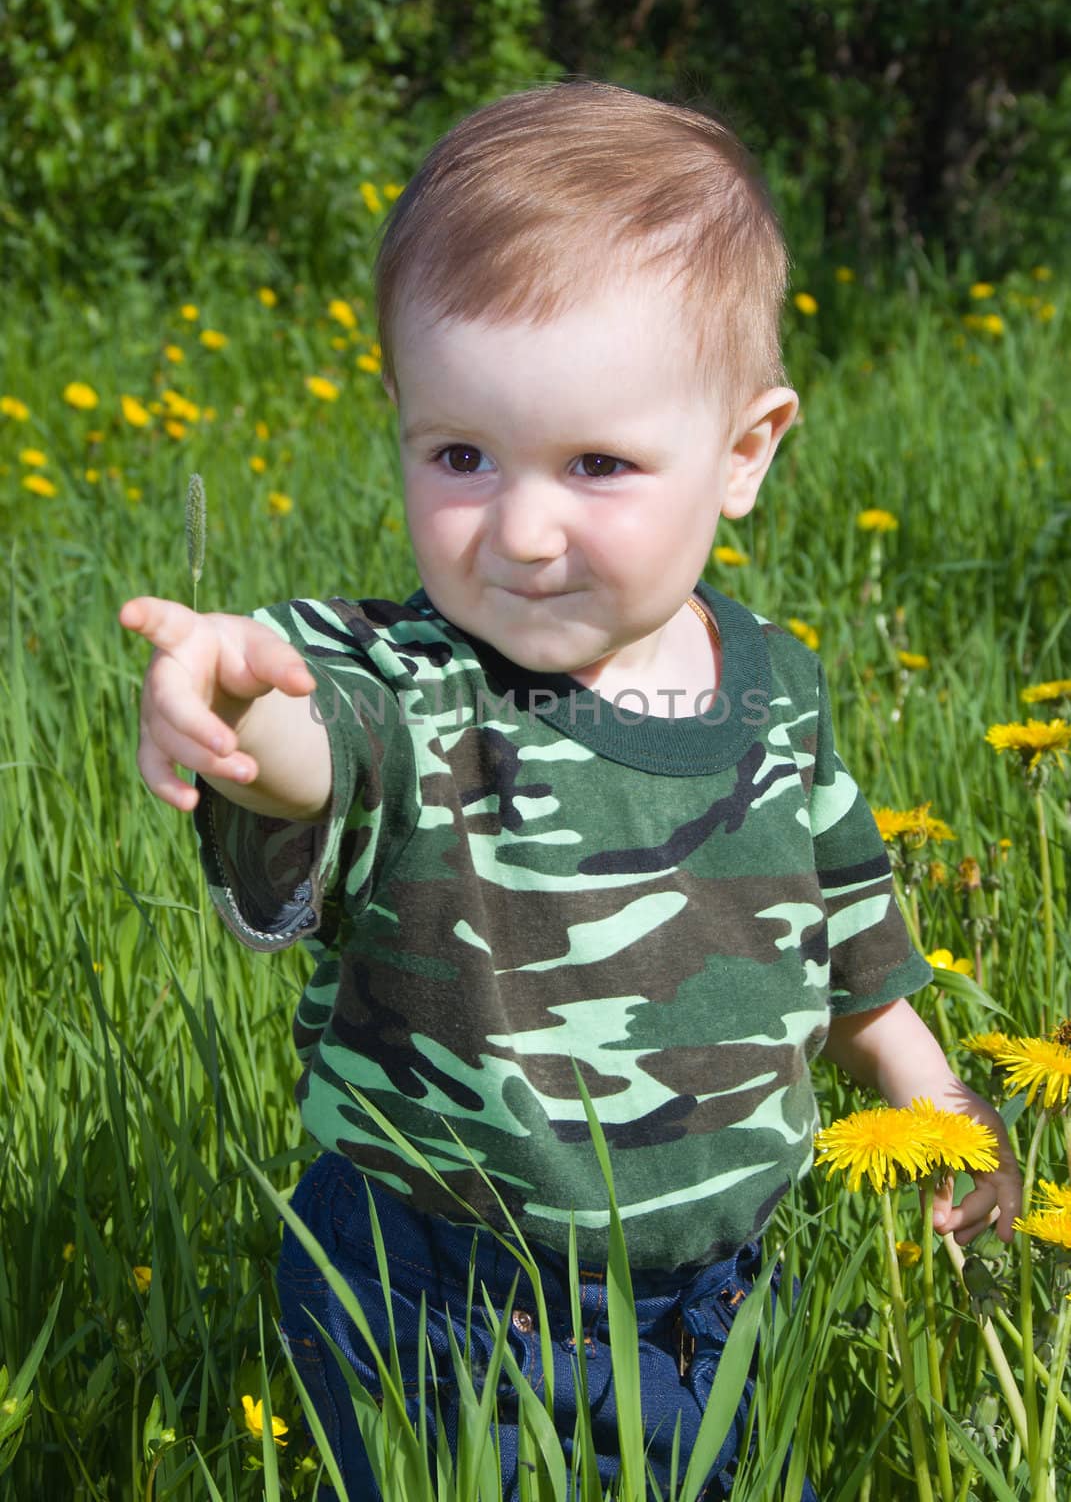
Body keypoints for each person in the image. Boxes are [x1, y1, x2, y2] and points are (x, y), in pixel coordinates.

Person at [120, 80, 1021, 1499]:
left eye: (596, 463)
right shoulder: (410, 681)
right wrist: (244, 698)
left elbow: (848, 937)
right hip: (430, 1294)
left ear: (744, 453)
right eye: (461, 455)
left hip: (711, 1298)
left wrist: (934, 1093)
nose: (522, 529)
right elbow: (327, 751)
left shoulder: (779, 690)